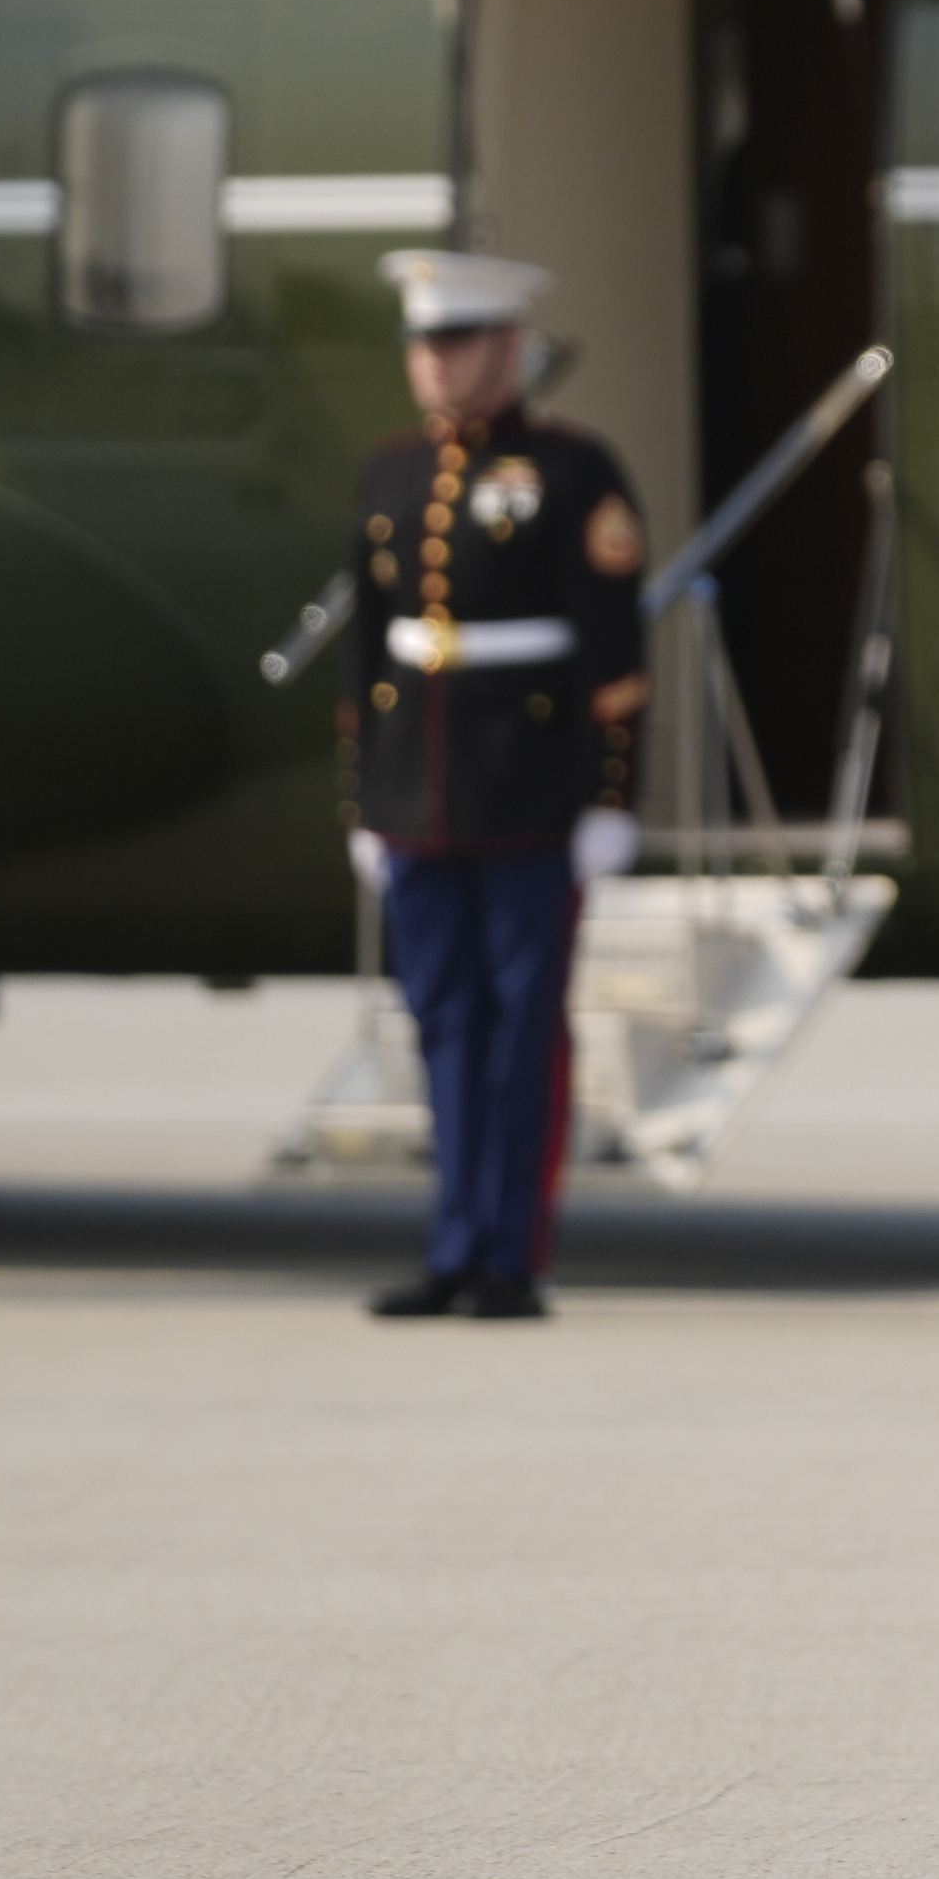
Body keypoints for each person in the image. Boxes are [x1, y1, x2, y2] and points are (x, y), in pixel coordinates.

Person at [340, 251, 650, 1322]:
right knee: (441, 1022)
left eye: (455, 342)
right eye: (422, 345)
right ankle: (452, 1243)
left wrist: (609, 798)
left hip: (526, 790)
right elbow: (365, 658)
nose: (433, 363)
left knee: (522, 1027)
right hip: (418, 795)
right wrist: (366, 804)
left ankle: (512, 1253)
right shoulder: (390, 474)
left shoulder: (570, 472)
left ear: (510, 347)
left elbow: (613, 654)